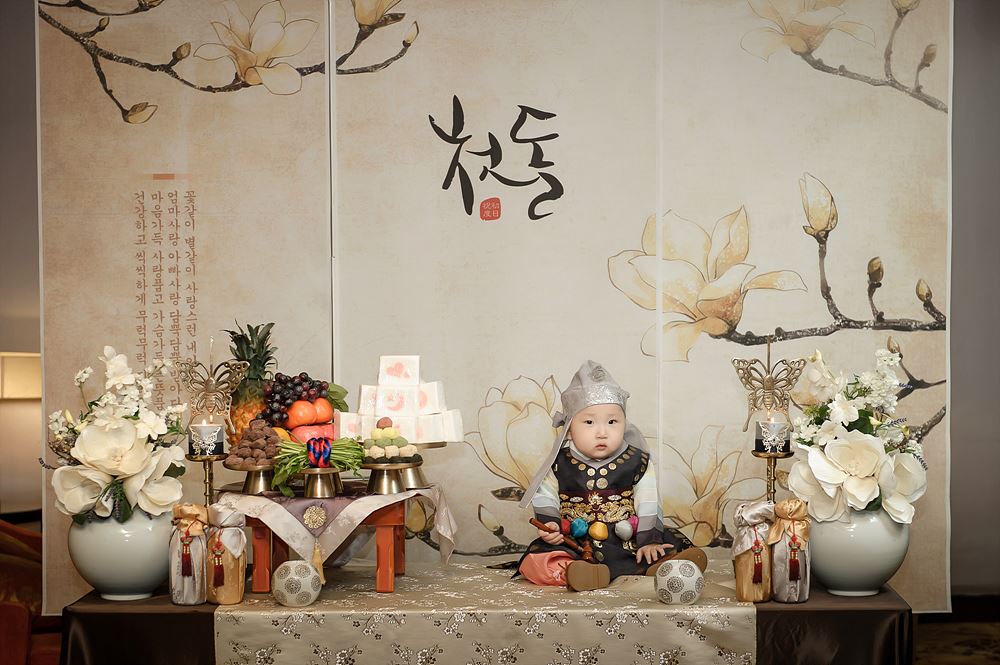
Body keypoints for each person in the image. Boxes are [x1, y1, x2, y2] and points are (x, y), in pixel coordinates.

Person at [516, 360, 707, 591]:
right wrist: (551, 527)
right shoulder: (558, 462)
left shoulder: (637, 461)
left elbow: (648, 501)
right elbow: (545, 495)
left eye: (612, 422)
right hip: (577, 541)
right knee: (538, 561)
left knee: (661, 547)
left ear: (624, 423)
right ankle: (580, 573)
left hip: (626, 538)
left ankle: (661, 565)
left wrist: (649, 541)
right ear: (569, 429)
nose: (602, 432)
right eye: (589, 422)